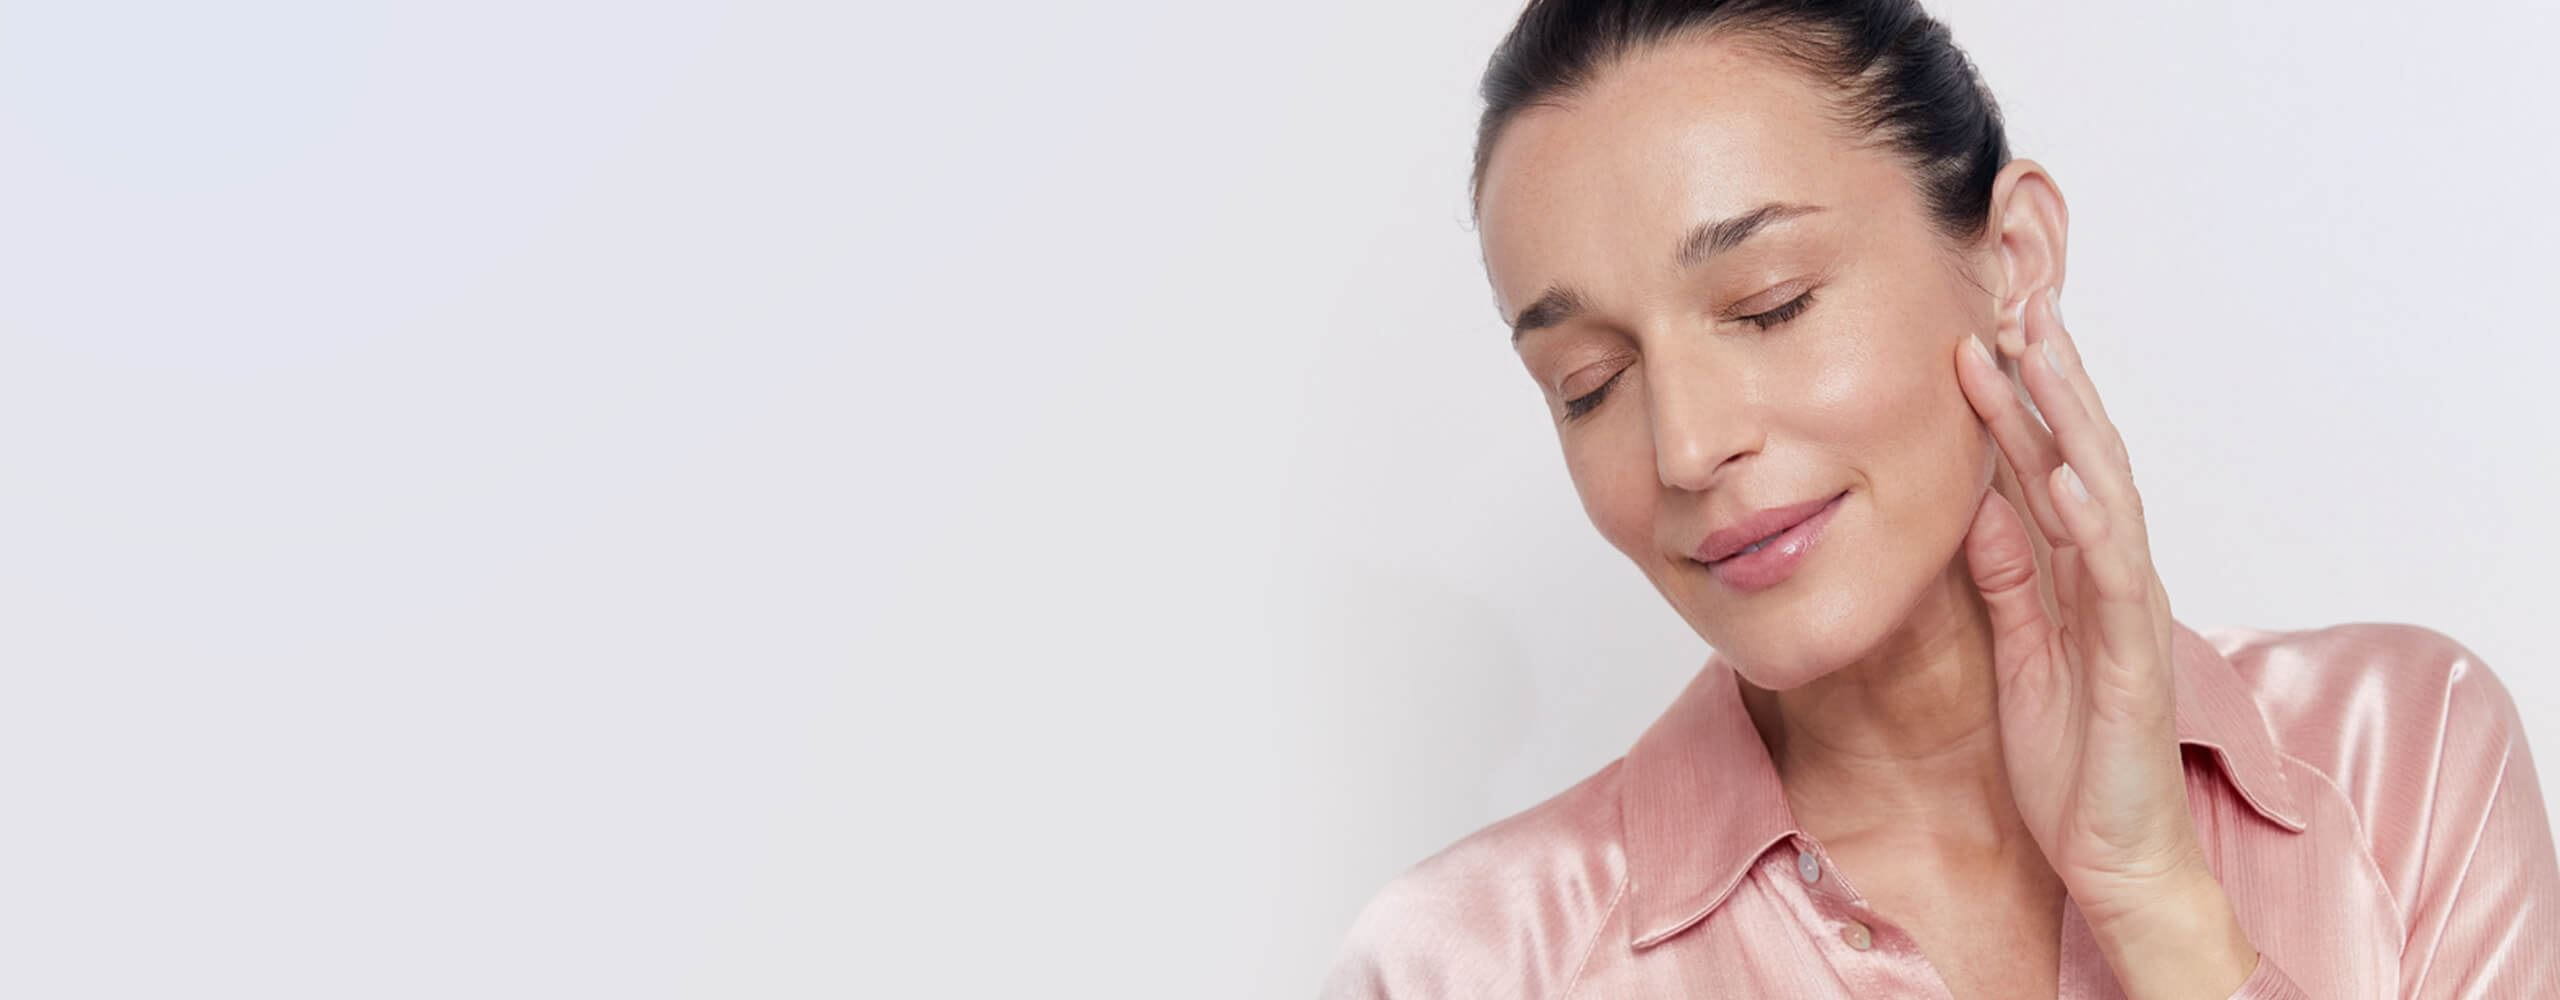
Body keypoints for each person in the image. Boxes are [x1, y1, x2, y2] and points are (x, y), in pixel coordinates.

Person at [1319, 1, 2560, 997]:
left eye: (1770, 306)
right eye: (1587, 383)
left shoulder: (2399, 758)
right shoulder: (1464, 965)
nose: (1686, 445)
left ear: (2010, 260)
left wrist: (2159, 903)